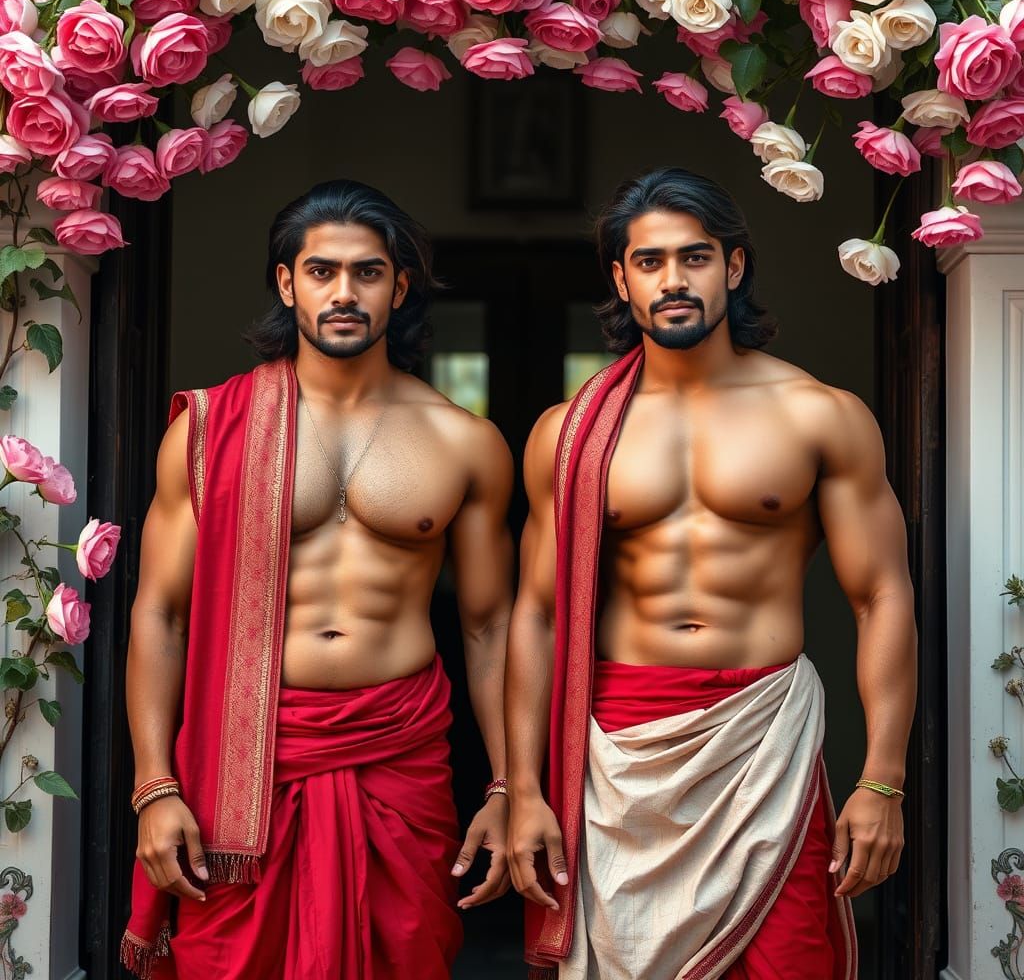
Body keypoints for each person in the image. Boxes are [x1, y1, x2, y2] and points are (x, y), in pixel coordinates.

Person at [505, 167, 917, 979]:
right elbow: (537, 615)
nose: (673, 280)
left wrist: (884, 779)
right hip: (621, 750)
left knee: (787, 960)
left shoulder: (817, 414)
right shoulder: (568, 432)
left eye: (694, 258)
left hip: (764, 739)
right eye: (650, 262)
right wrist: (524, 790)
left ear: (732, 266)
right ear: (621, 280)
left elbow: (880, 594)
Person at [121, 179, 513, 979]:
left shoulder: (464, 442)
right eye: (322, 271)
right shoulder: (210, 428)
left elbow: (491, 627)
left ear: (399, 287)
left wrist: (510, 783)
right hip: (245, 763)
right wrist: (155, 786)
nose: (344, 292)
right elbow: (161, 615)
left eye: (367, 273)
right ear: (286, 282)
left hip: (398, 757)